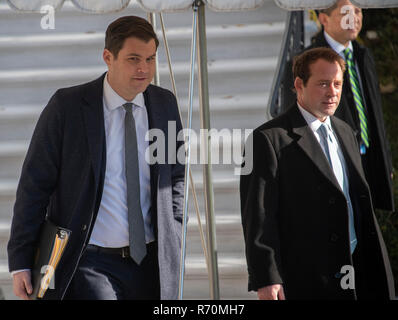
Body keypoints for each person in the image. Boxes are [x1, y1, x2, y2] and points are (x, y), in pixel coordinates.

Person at [7, 15, 185, 300]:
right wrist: (20, 262)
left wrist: (174, 228)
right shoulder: (67, 107)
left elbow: (175, 175)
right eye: (134, 59)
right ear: (108, 57)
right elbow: (34, 186)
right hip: (89, 261)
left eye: (151, 59)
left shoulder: (165, 104)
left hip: (152, 262)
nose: (144, 69)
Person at [240, 47, 395, 300]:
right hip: (306, 276)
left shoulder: (345, 131)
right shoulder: (265, 140)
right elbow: (258, 216)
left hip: (357, 269)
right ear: (299, 84)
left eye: (337, 83)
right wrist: (266, 277)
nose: (333, 92)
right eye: (323, 83)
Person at [280, 0, 394, 212]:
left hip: (368, 161)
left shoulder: (363, 55)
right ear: (324, 19)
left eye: (358, 11)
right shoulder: (303, 63)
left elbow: (375, 112)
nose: (355, 18)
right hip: (331, 163)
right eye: (345, 13)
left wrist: (385, 162)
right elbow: (295, 123)